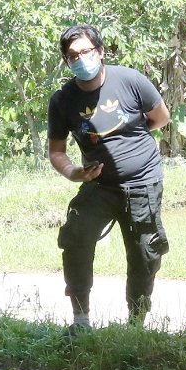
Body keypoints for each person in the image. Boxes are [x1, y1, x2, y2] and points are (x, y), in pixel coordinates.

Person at [46, 25, 172, 332]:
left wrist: (132, 145)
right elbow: (57, 152)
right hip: (98, 187)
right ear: (66, 61)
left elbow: (160, 117)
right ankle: (80, 320)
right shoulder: (62, 100)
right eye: (72, 55)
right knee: (75, 239)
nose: (80, 59)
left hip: (143, 183)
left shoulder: (130, 81)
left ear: (100, 52)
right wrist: (75, 173)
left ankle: (136, 325)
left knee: (144, 252)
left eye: (86, 52)